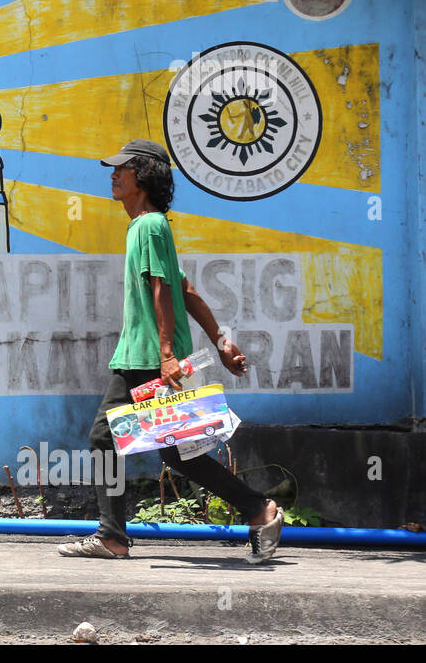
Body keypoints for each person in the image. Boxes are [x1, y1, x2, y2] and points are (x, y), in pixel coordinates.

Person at [57, 138, 283, 563]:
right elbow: (186, 288)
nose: (113, 174)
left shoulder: (148, 225)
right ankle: (259, 509)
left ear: (142, 176)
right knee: (178, 453)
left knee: (104, 437)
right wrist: (220, 341)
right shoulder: (152, 226)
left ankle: (112, 537)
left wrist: (164, 354)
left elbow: (164, 289)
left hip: (147, 360)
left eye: (121, 168)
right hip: (153, 357)